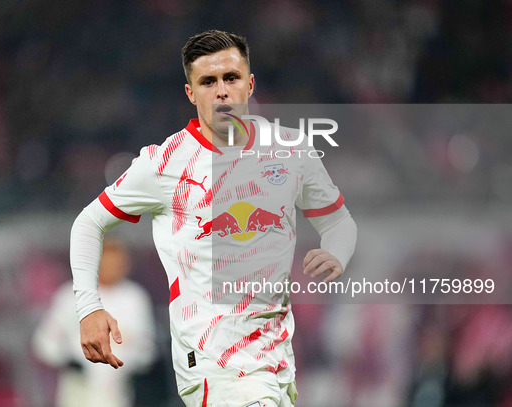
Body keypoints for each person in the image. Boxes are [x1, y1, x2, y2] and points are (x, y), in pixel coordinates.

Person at [71, 30, 357, 406]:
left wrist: (335, 252)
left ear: (250, 84)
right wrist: (89, 306)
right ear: (191, 93)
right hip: (215, 365)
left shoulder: (291, 150)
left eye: (231, 78)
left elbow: (338, 222)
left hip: (276, 364)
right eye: (208, 81)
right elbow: (89, 223)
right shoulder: (164, 163)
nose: (221, 90)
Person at [33, 239, 156, 407]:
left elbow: (146, 349)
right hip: (78, 391)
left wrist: (127, 365)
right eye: (108, 261)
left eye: (118, 262)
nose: (113, 267)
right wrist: (70, 361)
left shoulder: (134, 298)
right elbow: (44, 342)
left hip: (118, 391)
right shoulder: (72, 296)